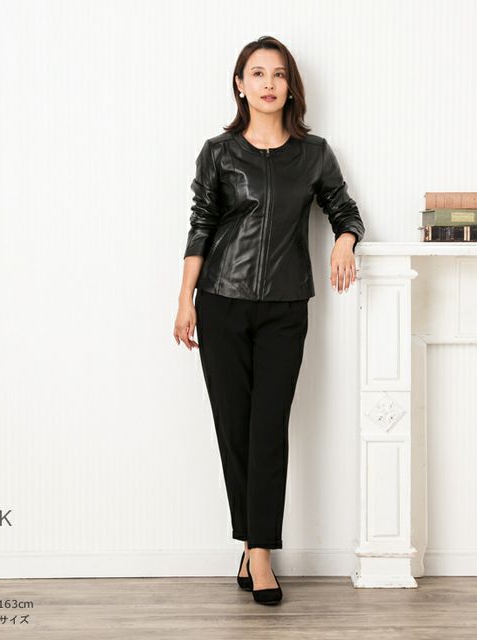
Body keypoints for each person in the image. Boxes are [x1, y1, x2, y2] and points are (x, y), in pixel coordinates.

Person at [173, 36, 365, 605]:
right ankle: (255, 546)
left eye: (278, 74)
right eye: (256, 73)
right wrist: (184, 299)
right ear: (240, 85)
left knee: (269, 429)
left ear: (290, 86)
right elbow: (201, 225)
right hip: (221, 300)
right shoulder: (218, 152)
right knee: (234, 430)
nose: (268, 84)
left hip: (285, 307)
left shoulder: (314, 154)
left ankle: (259, 551)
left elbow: (344, 209)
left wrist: (345, 240)